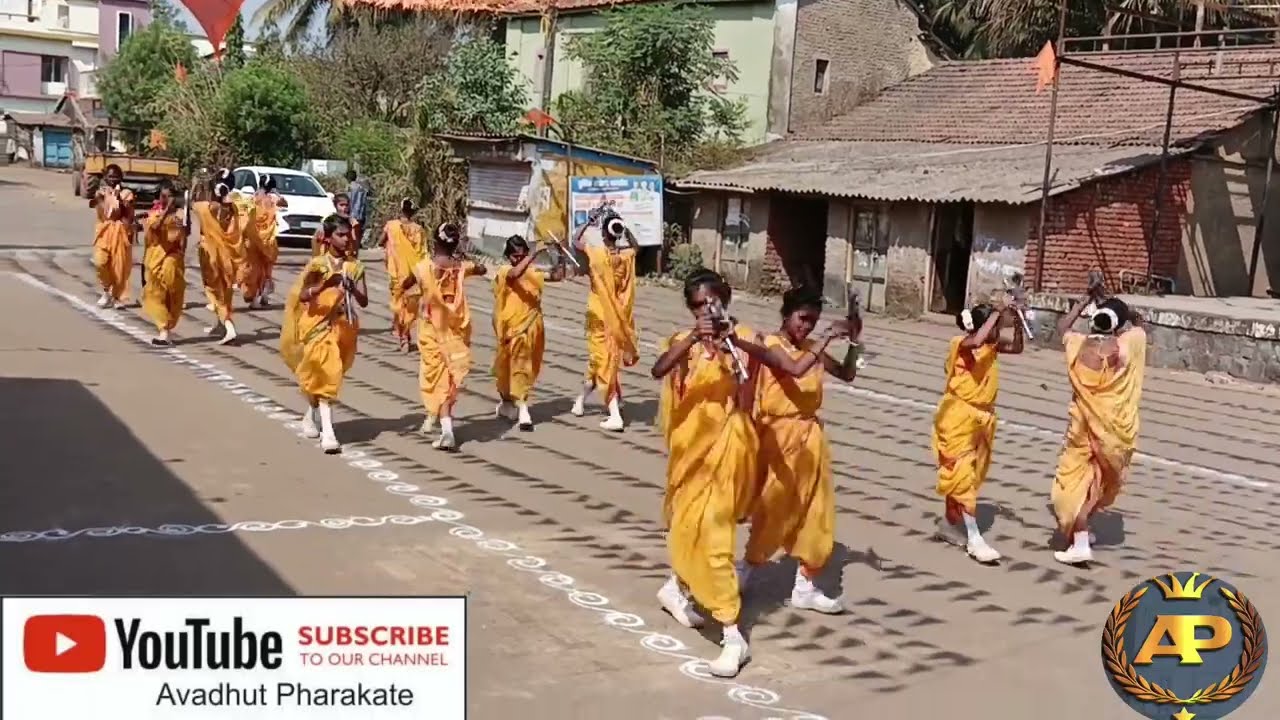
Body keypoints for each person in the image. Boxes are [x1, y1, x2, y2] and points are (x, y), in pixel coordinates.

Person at [651, 268, 759, 679]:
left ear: (725, 299)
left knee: (715, 540)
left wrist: (731, 346)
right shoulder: (683, 343)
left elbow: (746, 402)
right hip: (689, 454)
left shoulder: (742, 341)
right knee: (686, 530)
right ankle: (676, 587)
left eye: (711, 303)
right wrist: (697, 338)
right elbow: (660, 371)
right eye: (697, 306)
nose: (706, 311)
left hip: (725, 454)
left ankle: (733, 634)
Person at [729, 286, 857, 613]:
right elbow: (794, 369)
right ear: (787, 315)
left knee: (816, 510)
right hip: (778, 436)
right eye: (803, 319)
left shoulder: (812, 348)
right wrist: (828, 336)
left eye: (813, 322)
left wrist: (853, 341)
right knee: (775, 509)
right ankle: (748, 567)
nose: (807, 327)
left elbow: (846, 373)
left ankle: (806, 584)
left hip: (810, 436)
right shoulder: (771, 344)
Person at [1050, 293, 1146, 565]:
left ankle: (1080, 540)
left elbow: (1062, 328)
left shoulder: (1078, 345)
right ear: (1117, 326)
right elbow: (1140, 328)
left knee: (1074, 486)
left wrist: (1082, 302)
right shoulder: (1127, 345)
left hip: (1082, 429)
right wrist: (1133, 319)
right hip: (1113, 429)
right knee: (1096, 482)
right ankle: (1082, 535)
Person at [930, 298, 1024, 564]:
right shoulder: (960, 344)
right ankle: (974, 538)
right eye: (995, 325)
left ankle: (949, 524)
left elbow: (1017, 347)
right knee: (963, 476)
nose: (998, 331)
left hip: (983, 420)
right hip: (957, 416)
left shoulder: (992, 346)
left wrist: (1015, 319)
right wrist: (997, 312)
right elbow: (973, 342)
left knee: (965, 475)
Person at [280, 216, 368, 453]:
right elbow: (304, 295)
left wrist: (351, 289)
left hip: (344, 326)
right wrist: (326, 284)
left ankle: (311, 415)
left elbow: (364, 300)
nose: (346, 238)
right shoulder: (317, 265)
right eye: (341, 234)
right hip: (318, 325)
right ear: (328, 238)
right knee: (326, 371)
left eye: (348, 234)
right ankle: (328, 433)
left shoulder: (355, 266)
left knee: (329, 374)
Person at [402, 222, 487, 451]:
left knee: (435, 379)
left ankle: (446, 429)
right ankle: (438, 419)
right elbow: (482, 269)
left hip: (432, 331)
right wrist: (462, 258)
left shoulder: (423, 268)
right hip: (456, 331)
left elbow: (405, 284)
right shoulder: (461, 267)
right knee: (450, 381)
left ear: (434, 242)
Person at [571, 209, 639, 431]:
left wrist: (587, 222)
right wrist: (624, 228)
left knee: (603, 361)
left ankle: (614, 414)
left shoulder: (596, 253)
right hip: (616, 317)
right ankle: (580, 400)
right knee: (602, 360)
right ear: (618, 233)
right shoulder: (626, 256)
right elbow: (636, 247)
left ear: (603, 232)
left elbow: (575, 240)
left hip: (597, 314)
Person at [492, 233, 568, 430]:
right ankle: (519, 407)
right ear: (509, 257)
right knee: (510, 372)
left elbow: (558, 276)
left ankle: (518, 405)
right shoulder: (504, 271)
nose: (519, 259)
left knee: (526, 368)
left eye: (522, 255)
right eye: (515, 256)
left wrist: (559, 254)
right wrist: (533, 254)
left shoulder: (532, 273)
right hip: (512, 330)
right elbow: (514, 275)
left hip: (532, 328)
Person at [192, 175, 243, 345]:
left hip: (211, 254)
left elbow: (193, 203)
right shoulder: (232, 207)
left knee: (214, 290)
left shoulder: (207, 207)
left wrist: (201, 189)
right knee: (225, 289)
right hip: (227, 254)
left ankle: (229, 327)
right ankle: (221, 325)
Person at [140, 181, 187, 346]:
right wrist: (166, 211)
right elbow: (155, 227)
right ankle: (163, 329)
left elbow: (184, 234)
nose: (166, 199)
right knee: (155, 293)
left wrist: (183, 225)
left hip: (172, 257)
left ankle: (166, 329)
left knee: (172, 289)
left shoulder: (181, 215)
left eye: (169, 197)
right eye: (164, 196)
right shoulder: (155, 212)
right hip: (155, 258)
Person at [382, 199, 427, 352]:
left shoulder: (391, 226)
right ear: (414, 212)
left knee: (399, 306)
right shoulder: (418, 230)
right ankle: (406, 336)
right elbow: (422, 253)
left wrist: (390, 243)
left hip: (395, 273)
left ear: (400, 210)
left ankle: (404, 338)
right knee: (411, 307)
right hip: (413, 275)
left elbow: (382, 241)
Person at [89, 163, 134, 309]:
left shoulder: (126, 194)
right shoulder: (100, 193)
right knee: (100, 262)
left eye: (116, 176)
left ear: (121, 178)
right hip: (104, 232)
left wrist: (118, 198)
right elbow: (103, 211)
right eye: (110, 176)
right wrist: (106, 197)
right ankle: (106, 290)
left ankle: (117, 296)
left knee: (119, 267)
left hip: (120, 232)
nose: (113, 179)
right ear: (105, 178)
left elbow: (127, 215)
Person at [239, 174, 285, 308]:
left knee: (252, 269)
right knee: (265, 270)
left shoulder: (251, 199)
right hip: (267, 242)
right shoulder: (272, 199)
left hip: (252, 240)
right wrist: (277, 194)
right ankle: (261, 296)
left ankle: (254, 296)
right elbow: (284, 203)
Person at [346, 169, 372, 248]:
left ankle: (353, 244)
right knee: (358, 230)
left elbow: (348, 200)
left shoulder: (349, 188)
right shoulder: (362, 188)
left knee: (351, 229)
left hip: (352, 213)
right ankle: (357, 243)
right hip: (360, 213)